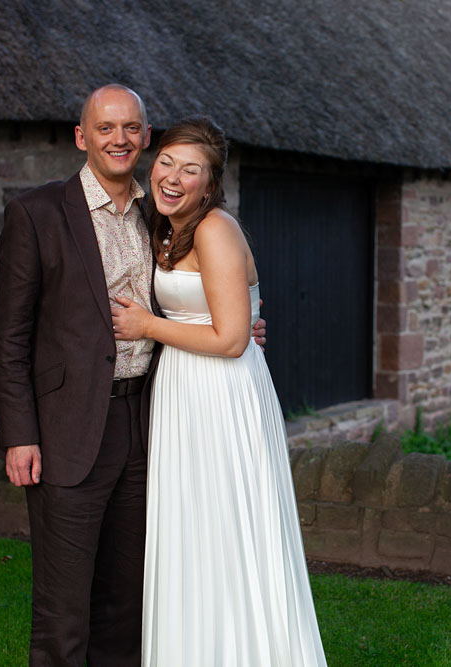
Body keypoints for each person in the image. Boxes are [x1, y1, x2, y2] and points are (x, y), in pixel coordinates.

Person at [0, 85, 266, 665]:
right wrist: (20, 433)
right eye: (106, 127)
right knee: (64, 609)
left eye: (132, 128)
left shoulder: (161, 213)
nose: (120, 139)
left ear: (145, 137)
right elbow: (10, 337)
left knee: (127, 603)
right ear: (81, 137)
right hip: (67, 430)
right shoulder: (37, 214)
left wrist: (242, 328)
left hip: (152, 425)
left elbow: (200, 303)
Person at [110, 117, 328, 666]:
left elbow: (231, 340)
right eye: (166, 162)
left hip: (221, 396)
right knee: (193, 537)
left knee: (227, 535)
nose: (173, 177)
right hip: (184, 392)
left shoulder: (213, 228)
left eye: (191, 169)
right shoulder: (164, 228)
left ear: (211, 184)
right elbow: (233, 315)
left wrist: (147, 327)